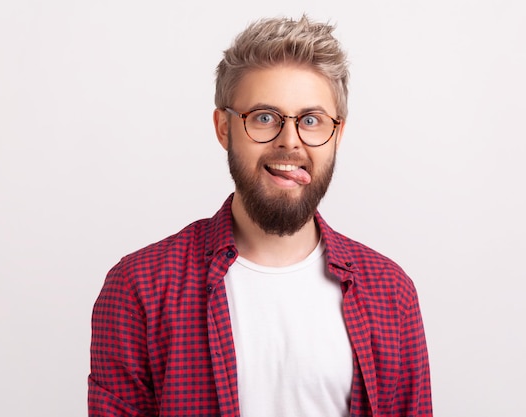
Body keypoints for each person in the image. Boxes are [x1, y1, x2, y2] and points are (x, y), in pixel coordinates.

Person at [88, 15, 432, 417]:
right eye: (265, 118)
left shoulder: (391, 294)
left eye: (311, 121)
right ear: (223, 128)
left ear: (337, 134)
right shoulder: (140, 288)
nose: (290, 141)